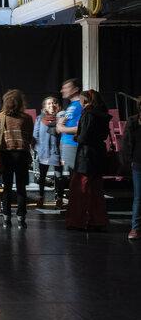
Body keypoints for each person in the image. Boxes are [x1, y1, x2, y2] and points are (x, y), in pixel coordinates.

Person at [66, 89, 111, 232]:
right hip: (98, 155)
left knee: (79, 189)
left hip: (86, 156)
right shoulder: (102, 114)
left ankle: (77, 221)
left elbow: (84, 137)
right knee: (96, 191)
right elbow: (103, 135)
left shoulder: (88, 113)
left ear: (85, 100)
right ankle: (98, 221)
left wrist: (76, 137)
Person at [0, 88, 34, 227]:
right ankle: (21, 218)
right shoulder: (27, 118)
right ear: (20, 102)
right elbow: (29, 138)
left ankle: (6, 217)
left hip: (6, 154)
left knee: (6, 187)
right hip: (22, 155)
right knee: (21, 188)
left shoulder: (1, 116)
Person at [33, 96, 64, 207]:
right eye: (49, 103)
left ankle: (59, 198)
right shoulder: (39, 118)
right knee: (42, 176)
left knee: (59, 177)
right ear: (45, 106)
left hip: (57, 152)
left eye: (54, 103)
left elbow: (64, 136)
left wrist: (63, 153)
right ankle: (41, 198)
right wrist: (38, 150)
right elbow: (35, 135)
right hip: (44, 152)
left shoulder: (61, 117)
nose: (52, 105)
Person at [121, 95, 141, 241]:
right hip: (138, 162)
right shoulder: (133, 121)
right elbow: (127, 143)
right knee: (138, 197)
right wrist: (129, 161)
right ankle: (135, 228)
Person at [57, 77, 83, 178]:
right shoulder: (71, 105)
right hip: (66, 144)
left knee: (76, 176)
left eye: (66, 88)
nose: (62, 90)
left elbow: (81, 128)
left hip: (73, 144)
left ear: (76, 89)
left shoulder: (80, 105)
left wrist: (61, 127)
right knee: (72, 176)